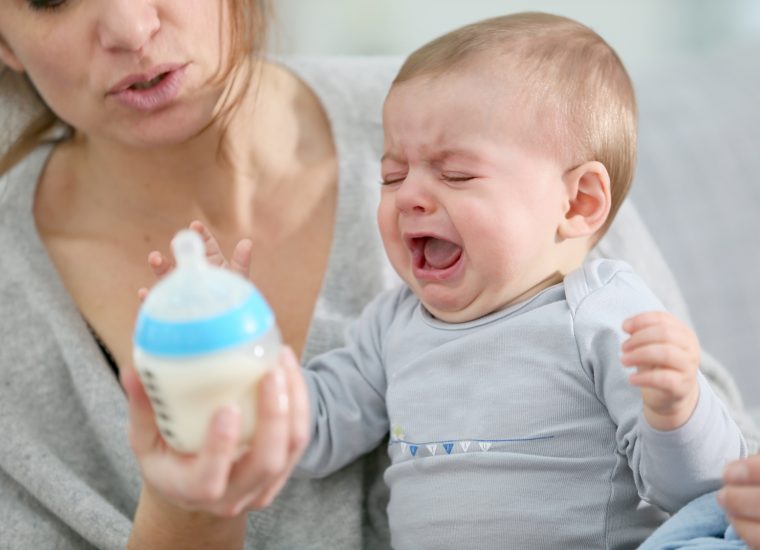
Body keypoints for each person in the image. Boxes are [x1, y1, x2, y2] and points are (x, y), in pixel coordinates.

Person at [0, 1, 757, 548]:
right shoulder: (395, 325)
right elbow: (315, 428)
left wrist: (674, 406)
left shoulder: (595, 293)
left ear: (579, 203)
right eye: (392, 176)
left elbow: (712, 487)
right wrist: (235, 348)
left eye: (454, 175)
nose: (412, 194)